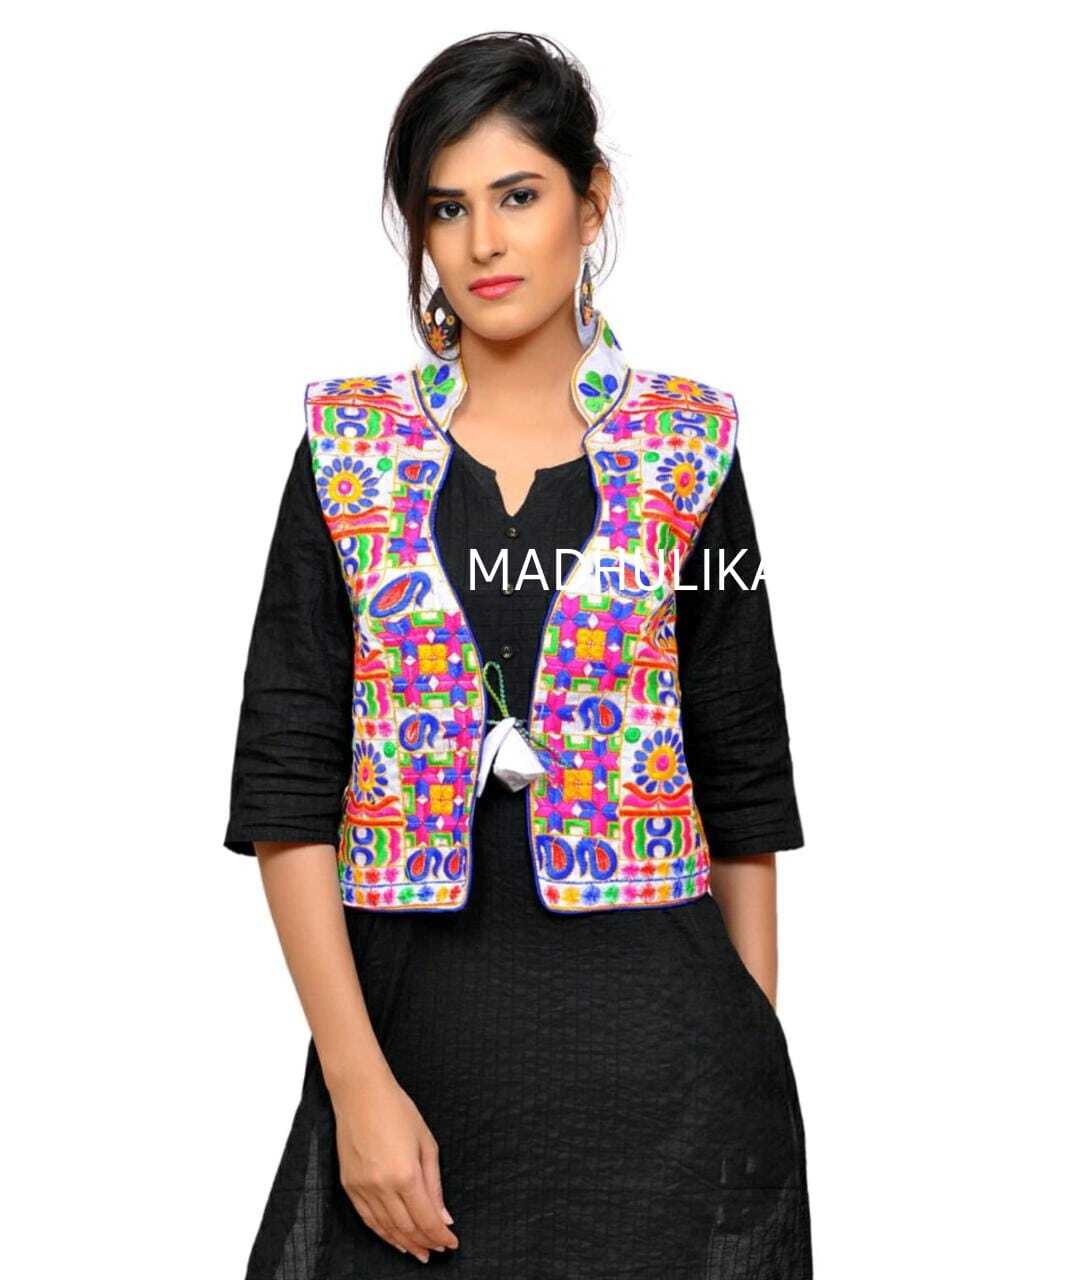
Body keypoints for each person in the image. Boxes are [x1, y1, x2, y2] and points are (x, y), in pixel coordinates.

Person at [224, 31, 812, 1279]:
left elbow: (743, 778)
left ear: (590, 204)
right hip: (412, 1067)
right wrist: (356, 1083)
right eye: (447, 207)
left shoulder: (686, 446)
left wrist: (746, 1061)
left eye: (518, 195)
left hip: (666, 1082)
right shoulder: (347, 450)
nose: (483, 240)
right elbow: (284, 788)